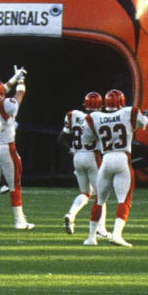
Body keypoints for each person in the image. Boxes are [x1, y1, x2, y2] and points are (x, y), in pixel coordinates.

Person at [80, 90, 148, 247]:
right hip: (122, 158)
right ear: (122, 102)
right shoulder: (129, 112)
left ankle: (91, 237)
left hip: (106, 159)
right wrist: (147, 115)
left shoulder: (95, 117)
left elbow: (87, 139)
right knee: (123, 200)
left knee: (99, 200)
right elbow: (143, 122)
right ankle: (116, 235)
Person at [0, 72, 34, 229]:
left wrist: (14, 77)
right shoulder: (5, 104)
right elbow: (19, 94)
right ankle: (19, 221)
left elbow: (3, 89)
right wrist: (21, 81)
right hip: (6, 147)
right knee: (14, 186)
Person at [61, 92, 107, 237]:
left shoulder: (73, 115)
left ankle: (71, 214)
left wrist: (71, 150)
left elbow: (61, 139)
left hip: (77, 157)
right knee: (100, 195)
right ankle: (100, 229)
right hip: (92, 156)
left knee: (85, 193)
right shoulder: (98, 118)